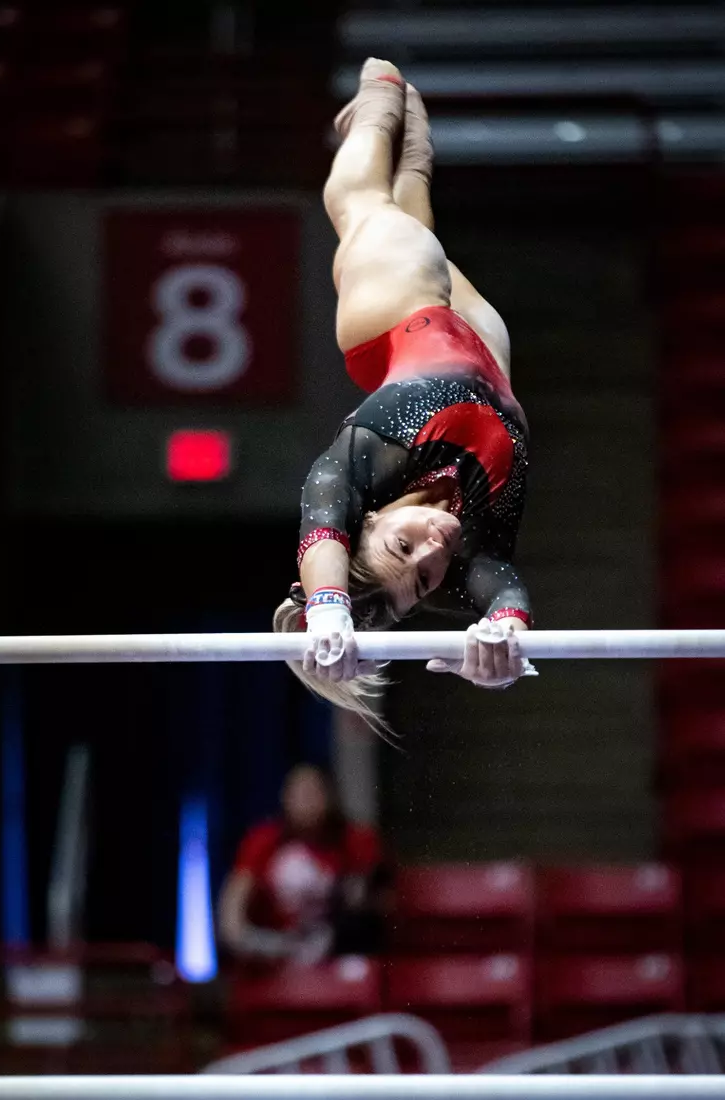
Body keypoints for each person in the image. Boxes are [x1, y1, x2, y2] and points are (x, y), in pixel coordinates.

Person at [274, 60, 537, 727]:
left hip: (393, 320)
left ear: (373, 518)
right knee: (421, 233)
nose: (431, 550)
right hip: (480, 345)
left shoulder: (378, 455)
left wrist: (329, 603)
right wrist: (505, 628)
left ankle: (378, 99)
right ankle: (414, 151)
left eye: (401, 546)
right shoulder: (470, 538)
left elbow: (322, 502)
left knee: (357, 205)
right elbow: (495, 575)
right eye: (423, 577)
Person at [218, 764, 389, 966]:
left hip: (335, 951)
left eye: (313, 792)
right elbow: (232, 914)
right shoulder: (261, 841)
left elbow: (379, 903)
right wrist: (262, 944)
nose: (306, 801)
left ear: (331, 797)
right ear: (284, 797)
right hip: (274, 951)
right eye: (298, 793)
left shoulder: (357, 841)